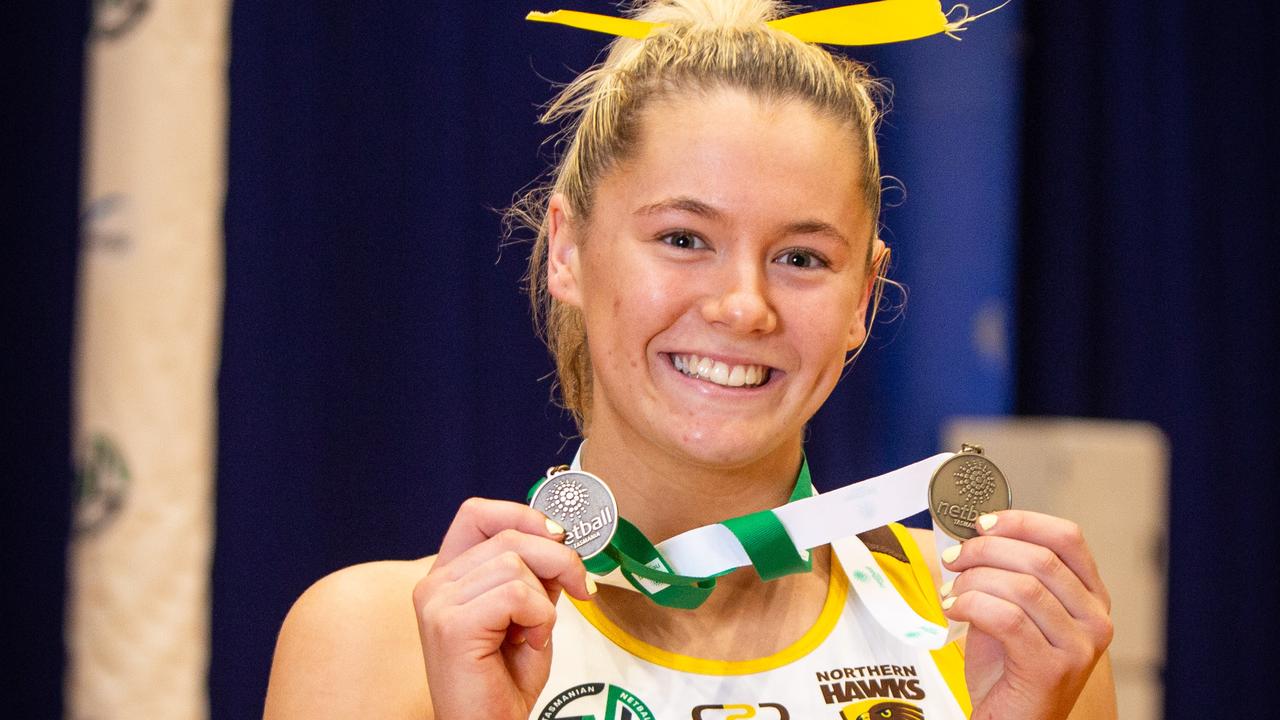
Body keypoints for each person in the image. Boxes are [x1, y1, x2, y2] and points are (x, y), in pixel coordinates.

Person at [263, 1, 1117, 718]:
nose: (743, 305)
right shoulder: (379, 642)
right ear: (567, 250)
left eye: (803, 258)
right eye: (683, 238)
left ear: (863, 296)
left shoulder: (994, 630)